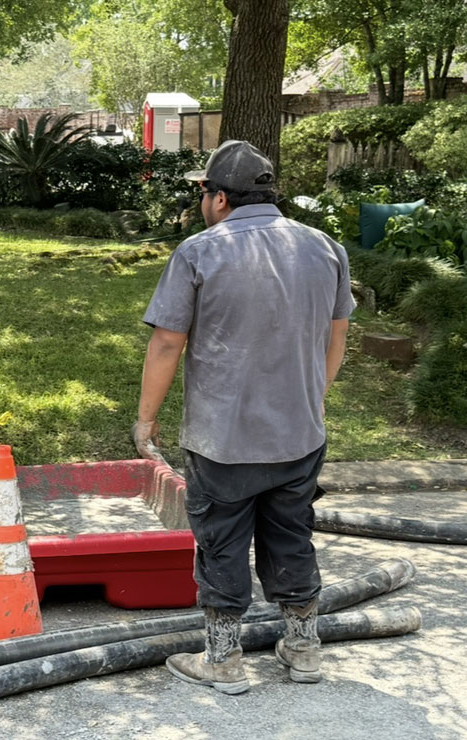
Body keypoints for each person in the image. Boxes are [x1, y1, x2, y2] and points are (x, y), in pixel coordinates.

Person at [133, 140, 355, 694]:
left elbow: (166, 344)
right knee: (292, 536)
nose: (201, 202)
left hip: (222, 439)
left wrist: (145, 420)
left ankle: (225, 662)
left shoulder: (199, 252)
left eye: (203, 191)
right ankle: (303, 650)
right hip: (300, 435)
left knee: (222, 542)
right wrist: (314, 397)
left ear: (221, 198)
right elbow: (338, 335)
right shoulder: (325, 248)